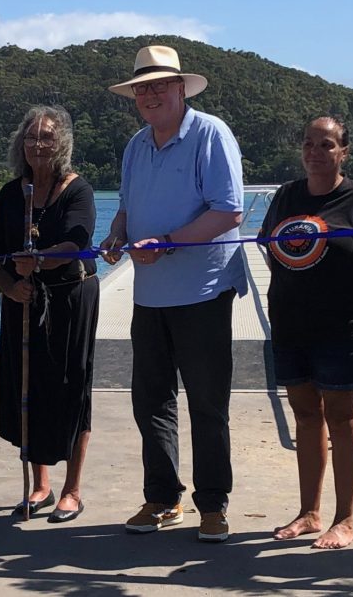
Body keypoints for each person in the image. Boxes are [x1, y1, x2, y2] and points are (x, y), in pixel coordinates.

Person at [100, 45, 247, 543]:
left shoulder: (211, 133)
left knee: (208, 404)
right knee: (150, 401)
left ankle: (213, 505)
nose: (150, 94)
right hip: (149, 295)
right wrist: (118, 234)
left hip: (203, 291)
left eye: (160, 85)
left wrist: (165, 243)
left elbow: (229, 212)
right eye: (142, 87)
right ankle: (163, 498)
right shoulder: (136, 146)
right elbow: (125, 208)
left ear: (182, 88)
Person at [260, 117, 353, 549]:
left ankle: (345, 518)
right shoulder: (287, 195)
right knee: (306, 418)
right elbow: (270, 249)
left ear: (343, 152)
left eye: (326, 144)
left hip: (342, 331)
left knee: (342, 419)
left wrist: (351, 296)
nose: (315, 151)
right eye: (308, 143)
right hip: (290, 325)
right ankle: (309, 512)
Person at [0, 106, 99, 523]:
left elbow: (77, 243)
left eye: (47, 137)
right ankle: (40, 484)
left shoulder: (77, 189)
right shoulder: (13, 193)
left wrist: (40, 260)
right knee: (26, 387)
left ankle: (72, 489)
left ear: (62, 142)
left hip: (70, 299)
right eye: (30, 137)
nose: (37, 144)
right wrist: (10, 286)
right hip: (23, 300)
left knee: (71, 386)